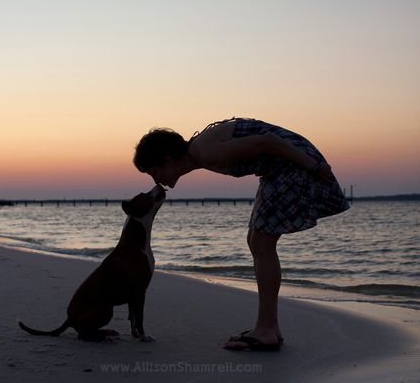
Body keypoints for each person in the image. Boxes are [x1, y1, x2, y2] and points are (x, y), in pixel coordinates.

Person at [133, 117, 350, 351]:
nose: (156, 180)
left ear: (167, 159)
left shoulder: (204, 152)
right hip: (279, 167)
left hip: (292, 162)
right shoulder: (200, 153)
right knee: (256, 241)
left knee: (263, 243)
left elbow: (267, 142)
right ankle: (269, 327)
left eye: (154, 172)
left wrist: (314, 167)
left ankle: (267, 329)